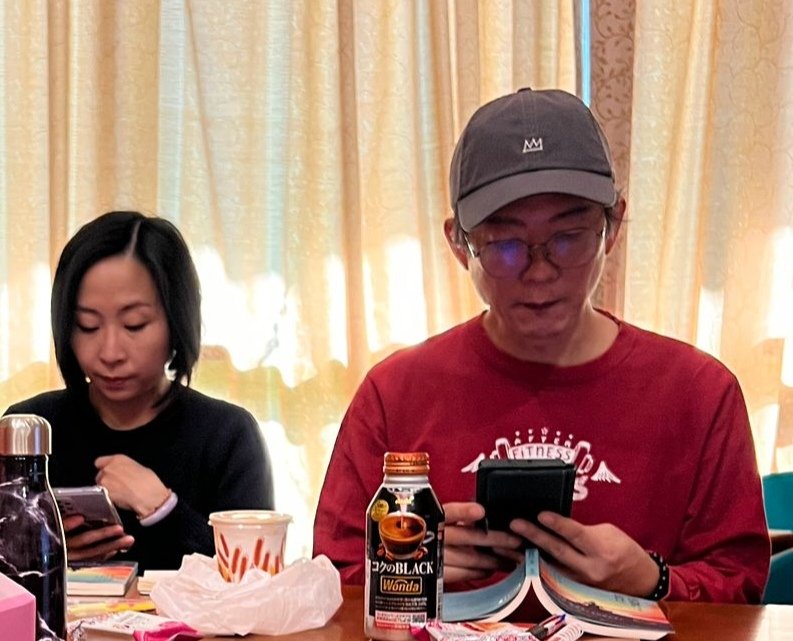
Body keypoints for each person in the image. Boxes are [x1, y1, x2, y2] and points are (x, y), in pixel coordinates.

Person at [313, 88, 769, 603]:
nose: (539, 273)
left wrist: (652, 580)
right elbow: (331, 580)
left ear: (612, 228)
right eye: (504, 245)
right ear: (459, 245)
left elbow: (740, 585)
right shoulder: (394, 393)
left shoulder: (699, 392)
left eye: (569, 237)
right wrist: (405, 567)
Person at [5, 211, 274, 571]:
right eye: (87, 325)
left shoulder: (227, 435)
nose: (110, 352)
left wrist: (162, 508)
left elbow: (255, 578)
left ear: (177, 320)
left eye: (134, 324)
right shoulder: (30, 431)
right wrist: (45, 553)